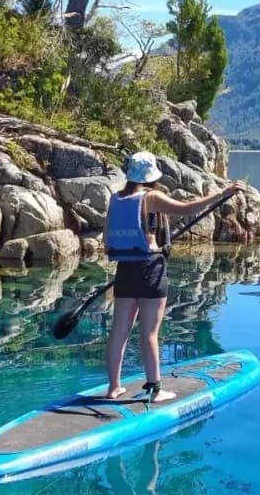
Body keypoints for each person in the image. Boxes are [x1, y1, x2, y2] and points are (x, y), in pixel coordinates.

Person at [103, 150, 245, 402]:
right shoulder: (151, 197)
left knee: (119, 332)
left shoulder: (116, 198)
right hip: (150, 270)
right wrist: (223, 193)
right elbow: (189, 208)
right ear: (151, 176)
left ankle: (113, 388)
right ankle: (155, 389)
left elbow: (107, 237)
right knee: (149, 333)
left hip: (125, 270)